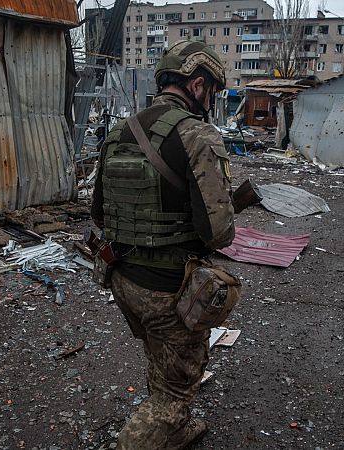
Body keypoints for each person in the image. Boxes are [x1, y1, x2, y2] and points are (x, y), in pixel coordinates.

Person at [91, 40, 235, 449]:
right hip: (167, 289)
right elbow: (219, 232)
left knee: (161, 351)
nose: (212, 100)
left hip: (122, 278)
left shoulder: (118, 132)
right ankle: (151, 430)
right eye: (212, 91)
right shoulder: (196, 134)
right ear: (198, 85)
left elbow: (99, 214)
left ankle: (175, 430)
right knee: (176, 389)